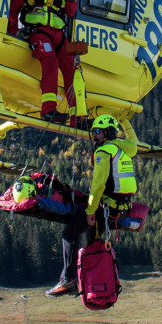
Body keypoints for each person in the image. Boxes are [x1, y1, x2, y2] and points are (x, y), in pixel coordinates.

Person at [46, 114, 139, 297]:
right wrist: (125, 120)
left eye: (97, 131)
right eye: (93, 131)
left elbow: (99, 183)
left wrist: (90, 210)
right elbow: (134, 142)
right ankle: (92, 282)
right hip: (118, 209)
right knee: (93, 242)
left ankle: (69, 280)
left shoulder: (104, 152)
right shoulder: (124, 149)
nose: (93, 135)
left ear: (107, 133)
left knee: (70, 233)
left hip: (105, 207)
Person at [7, 0, 81, 123]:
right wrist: (11, 34)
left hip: (59, 34)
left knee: (74, 71)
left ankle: (78, 117)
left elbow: (70, 13)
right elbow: (14, 9)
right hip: (38, 32)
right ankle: (48, 110)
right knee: (51, 62)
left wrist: (72, 0)